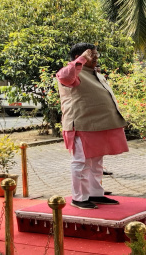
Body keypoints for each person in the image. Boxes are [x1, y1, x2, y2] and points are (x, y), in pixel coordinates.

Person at [56, 42, 127, 210]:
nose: (96, 58)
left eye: (96, 55)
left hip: (100, 124)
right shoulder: (71, 71)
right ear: (78, 57)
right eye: (92, 55)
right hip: (81, 124)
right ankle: (79, 198)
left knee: (97, 162)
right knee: (81, 162)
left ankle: (95, 193)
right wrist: (81, 60)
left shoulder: (93, 72)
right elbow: (64, 76)